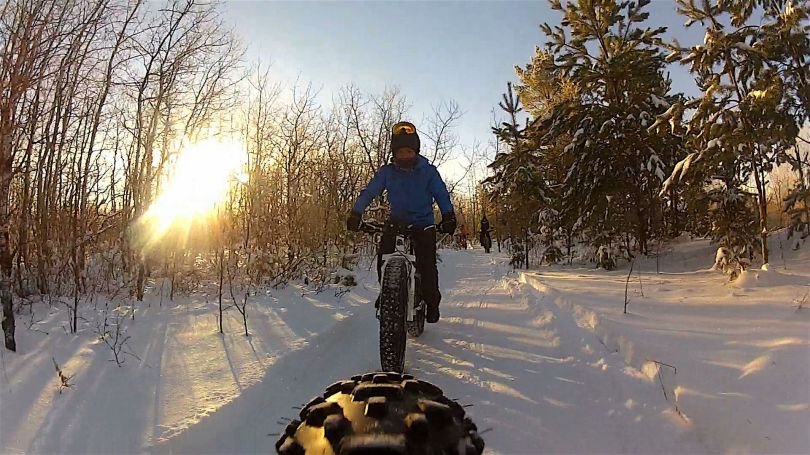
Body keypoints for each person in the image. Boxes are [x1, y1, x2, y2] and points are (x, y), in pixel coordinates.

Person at [346, 121, 456, 323]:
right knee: (384, 259)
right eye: (400, 152)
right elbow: (370, 191)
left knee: (427, 265)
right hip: (397, 222)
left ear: (416, 151)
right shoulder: (388, 172)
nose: (405, 156)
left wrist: (448, 215)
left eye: (409, 151)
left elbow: (441, 194)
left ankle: (432, 302)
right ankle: (388, 291)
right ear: (394, 153)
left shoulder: (428, 171)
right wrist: (356, 213)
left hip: (423, 224)